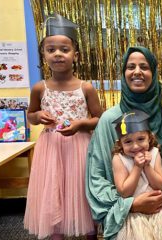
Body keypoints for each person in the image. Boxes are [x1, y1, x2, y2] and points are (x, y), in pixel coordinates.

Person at [85, 46, 162, 240]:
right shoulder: (110, 119)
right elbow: (96, 178)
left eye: (144, 66)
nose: (137, 71)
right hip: (126, 196)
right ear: (123, 73)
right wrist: (131, 205)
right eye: (130, 67)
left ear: (153, 73)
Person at [24, 13, 102, 240]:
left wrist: (81, 124)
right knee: (53, 192)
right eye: (51, 50)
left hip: (80, 148)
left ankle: (89, 233)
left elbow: (99, 118)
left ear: (75, 55)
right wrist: (38, 116)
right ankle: (57, 233)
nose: (58, 54)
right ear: (44, 55)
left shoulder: (86, 88)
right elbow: (30, 115)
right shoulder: (39, 88)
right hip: (50, 149)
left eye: (64, 49)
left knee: (81, 192)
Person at [112, 109, 162, 239]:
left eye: (141, 139)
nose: (135, 146)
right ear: (120, 143)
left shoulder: (154, 153)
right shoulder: (119, 159)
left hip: (158, 206)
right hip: (135, 208)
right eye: (128, 141)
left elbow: (159, 185)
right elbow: (125, 192)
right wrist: (137, 167)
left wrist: (147, 166)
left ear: (150, 137)